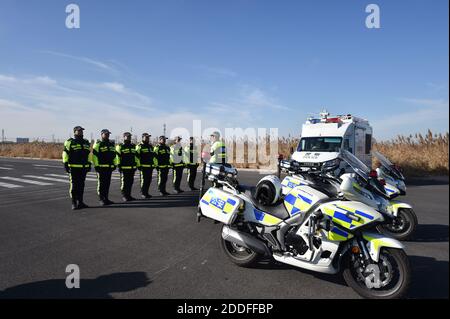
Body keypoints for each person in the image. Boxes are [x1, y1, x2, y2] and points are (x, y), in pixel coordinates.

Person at [62, 126, 92, 210]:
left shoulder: (86, 142)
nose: (81, 132)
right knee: (74, 186)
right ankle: (74, 203)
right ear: (74, 132)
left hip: (83, 168)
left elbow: (89, 154)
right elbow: (65, 153)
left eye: (81, 131)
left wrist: (89, 164)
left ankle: (80, 202)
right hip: (74, 168)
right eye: (79, 131)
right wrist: (65, 164)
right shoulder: (70, 142)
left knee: (81, 186)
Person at [92, 129, 117, 206]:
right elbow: (94, 156)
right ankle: (101, 199)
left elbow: (114, 156)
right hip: (101, 168)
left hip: (109, 168)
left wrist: (114, 164)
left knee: (107, 184)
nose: (107, 135)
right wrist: (96, 166)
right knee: (101, 184)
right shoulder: (98, 144)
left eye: (108, 134)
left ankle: (106, 198)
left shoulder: (111, 144)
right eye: (106, 134)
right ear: (102, 134)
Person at [116, 132, 138, 202]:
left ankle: (129, 195)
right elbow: (117, 157)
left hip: (132, 168)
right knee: (124, 183)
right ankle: (124, 196)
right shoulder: (120, 146)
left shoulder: (133, 146)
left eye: (130, 136)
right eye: (127, 136)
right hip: (124, 168)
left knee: (130, 182)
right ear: (124, 137)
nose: (129, 137)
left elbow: (135, 157)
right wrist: (119, 165)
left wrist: (136, 165)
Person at [136, 133, 157, 199]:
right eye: (146, 137)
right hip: (143, 166)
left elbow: (153, 156)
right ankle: (143, 193)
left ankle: (146, 192)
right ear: (143, 138)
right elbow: (137, 157)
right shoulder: (139, 146)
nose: (148, 138)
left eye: (148, 137)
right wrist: (139, 165)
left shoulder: (150, 146)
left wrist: (154, 164)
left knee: (148, 180)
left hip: (150, 166)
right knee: (144, 180)